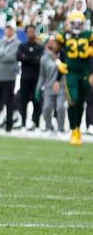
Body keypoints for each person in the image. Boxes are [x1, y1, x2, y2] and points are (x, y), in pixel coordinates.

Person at [54, 10, 92, 145]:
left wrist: (92, 72)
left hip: (85, 74)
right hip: (71, 74)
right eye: (74, 23)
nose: (76, 25)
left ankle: (77, 130)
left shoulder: (89, 35)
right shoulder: (64, 36)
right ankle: (72, 129)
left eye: (79, 23)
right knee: (73, 100)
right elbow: (54, 50)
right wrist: (58, 63)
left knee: (81, 102)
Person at [0, 23, 20, 131]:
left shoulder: (17, 44)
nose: (8, 31)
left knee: (9, 102)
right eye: (7, 28)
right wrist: (2, 55)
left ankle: (8, 124)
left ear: (14, 30)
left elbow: (11, 57)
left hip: (9, 77)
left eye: (10, 29)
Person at [16, 23, 44, 131]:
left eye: (33, 31)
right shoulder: (22, 46)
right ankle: (23, 123)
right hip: (25, 78)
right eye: (29, 32)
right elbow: (18, 57)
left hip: (36, 79)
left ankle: (35, 124)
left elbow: (38, 60)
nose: (30, 34)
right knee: (23, 101)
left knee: (37, 101)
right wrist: (32, 58)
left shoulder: (40, 47)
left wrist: (26, 58)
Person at [40, 37, 67, 135]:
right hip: (49, 86)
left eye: (55, 43)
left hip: (61, 86)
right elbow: (42, 74)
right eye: (52, 43)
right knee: (46, 107)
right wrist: (39, 87)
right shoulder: (45, 57)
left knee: (60, 107)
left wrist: (57, 60)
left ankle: (61, 128)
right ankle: (49, 127)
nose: (53, 45)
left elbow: (64, 68)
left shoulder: (64, 55)